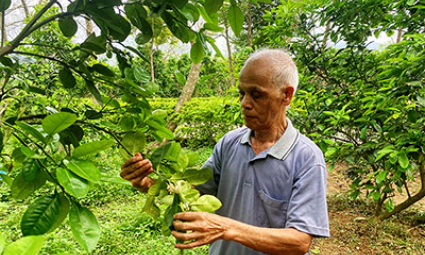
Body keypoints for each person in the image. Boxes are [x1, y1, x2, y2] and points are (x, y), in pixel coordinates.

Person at [120, 49, 329, 255]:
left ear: (286, 95)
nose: (245, 104)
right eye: (242, 93)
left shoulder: (307, 158)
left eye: (256, 95)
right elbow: (195, 194)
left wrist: (225, 228)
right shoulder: (230, 143)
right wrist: (146, 183)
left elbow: (299, 242)